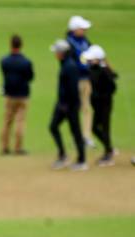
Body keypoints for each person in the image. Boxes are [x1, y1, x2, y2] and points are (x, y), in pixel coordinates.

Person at [48, 40, 87, 171]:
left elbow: (72, 90)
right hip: (63, 103)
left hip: (69, 105)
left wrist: (66, 105)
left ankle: (82, 160)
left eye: (56, 52)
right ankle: (63, 155)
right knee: (53, 127)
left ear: (62, 53)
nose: (55, 54)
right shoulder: (65, 64)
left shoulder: (69, 66)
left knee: (75, 131)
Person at [81, 45, 118, 166]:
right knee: (95, 128)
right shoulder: (94, 69)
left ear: (98, 59)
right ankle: (109, 148)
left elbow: (112, 87)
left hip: (104, 104)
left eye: (92, 59)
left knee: (105, 128)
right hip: (97, 104)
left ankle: (108, 154)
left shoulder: (103, 70)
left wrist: (102, 96)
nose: (90, 60)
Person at [0, 34, 34, 155]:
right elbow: (30, 77)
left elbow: (4, 74)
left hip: (9, 95)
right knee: (20, 121)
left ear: (11, 45)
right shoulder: (26, 62)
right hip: (23, 95)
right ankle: (18, 148)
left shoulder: (4, 61)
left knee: (7, 121)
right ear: (21, 45)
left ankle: (4, 147)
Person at [66, 15, 94, 148]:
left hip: (86, 79)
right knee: (74, 109)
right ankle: (77, 137)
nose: (84, 30)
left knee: (86, 108)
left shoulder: (85, 41)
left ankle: (86, 137)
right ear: (74, 29)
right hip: (74, 81)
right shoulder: (68, 44)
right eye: (82, 28)